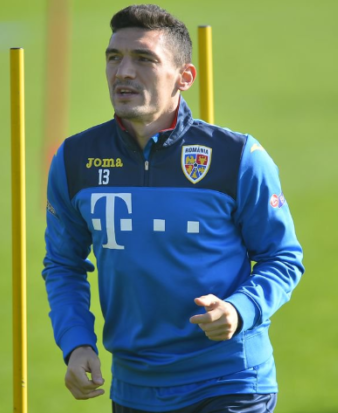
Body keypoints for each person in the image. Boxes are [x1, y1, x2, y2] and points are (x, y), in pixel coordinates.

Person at [42, 4, 304, 413]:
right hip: (134, 388)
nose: (123, 72)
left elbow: (282, 257)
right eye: (114, 57)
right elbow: (63, 264)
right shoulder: (74, 159)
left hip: (231, 381)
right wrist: (76, 343)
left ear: (184, 77)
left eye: (143, 59)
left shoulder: (238, 157)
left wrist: (239, 310)